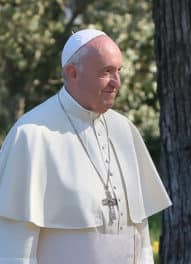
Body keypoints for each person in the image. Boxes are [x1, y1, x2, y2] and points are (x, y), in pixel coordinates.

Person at [0, 28, 172, 263]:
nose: (117, 83)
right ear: (72, 73)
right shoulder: (31, 135)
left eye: (119, 71)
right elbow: (14, 248)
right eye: (106, 72)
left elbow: (140, 233)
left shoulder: (125, 130)